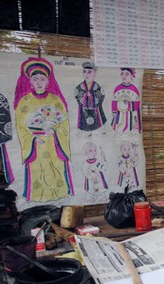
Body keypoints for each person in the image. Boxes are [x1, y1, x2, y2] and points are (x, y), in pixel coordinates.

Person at [14, 57, 74, 202]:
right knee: (37, 171)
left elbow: (64, 123)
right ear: (30, 81)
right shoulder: (25, 102)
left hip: (54, 142)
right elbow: (21, 127)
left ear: (48, 81)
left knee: (56, 169)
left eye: (42, 79)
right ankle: (37, 198)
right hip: (36, 144)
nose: (39, 82)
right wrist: (34, 138)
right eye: (35, 79)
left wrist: (54, 131)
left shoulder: (55, 100)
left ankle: (59, 196)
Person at [75, 61, 107, 135]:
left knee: (98, 120)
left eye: (89, 72)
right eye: (84, 71)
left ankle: (99, 129)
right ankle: (84, 131)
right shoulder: (79, 87)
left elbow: (101, 97)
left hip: (96, 110)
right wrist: (85, 96)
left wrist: (92, 95)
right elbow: (78, 98)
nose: (86, 74)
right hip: (84, 111)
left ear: (95, 73)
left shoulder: (98, 87)